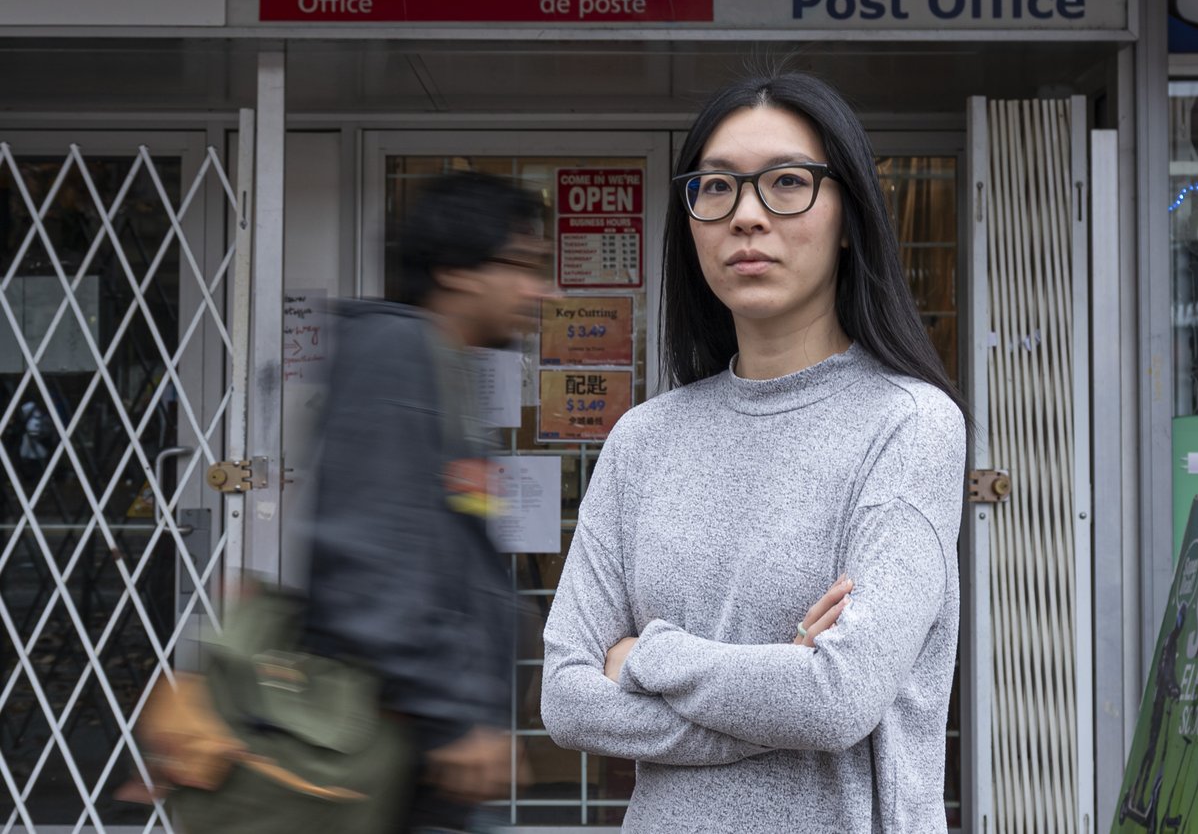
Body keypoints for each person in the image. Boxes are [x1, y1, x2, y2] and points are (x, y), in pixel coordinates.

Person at [540, 71, 967, 833]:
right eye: (716, 188)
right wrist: (780, 672)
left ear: (849, 217)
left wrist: (648, 658)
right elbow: (568, 699)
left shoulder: (909, 426)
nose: (746, 215)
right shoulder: (644, 439)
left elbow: (838, 699)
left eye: (787, 183)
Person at [302, 170, 547, 832]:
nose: (539, 290)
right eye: (520, 266)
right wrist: (454, 718)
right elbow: (371, 555)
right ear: (455, 270)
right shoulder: (397, 353)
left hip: (428, 751)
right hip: (406, 748)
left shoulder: (440, 363)